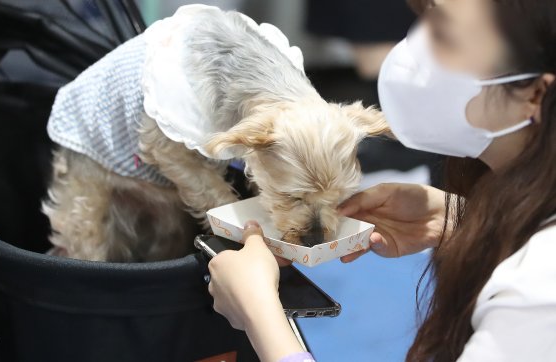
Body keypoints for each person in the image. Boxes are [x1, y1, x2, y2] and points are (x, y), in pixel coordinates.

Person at [207, 0, 556, 360]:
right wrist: (461, 221)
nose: (414, 50)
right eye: (424, 18)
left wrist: (258, 313)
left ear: (534, 93)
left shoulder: (539, 295)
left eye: (446, 35)